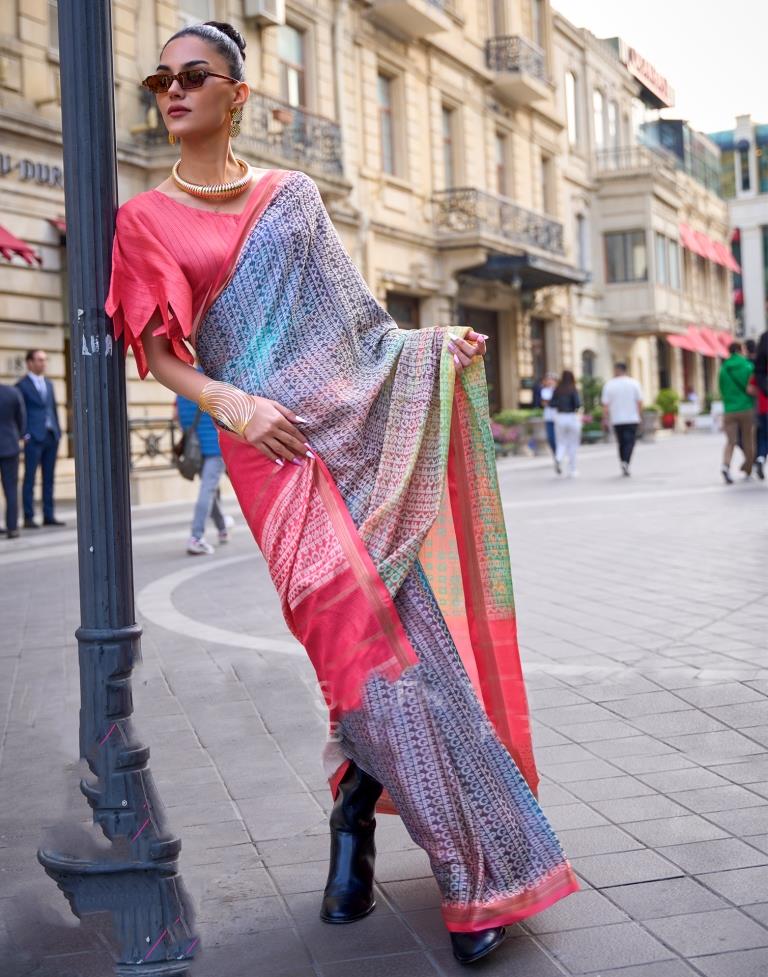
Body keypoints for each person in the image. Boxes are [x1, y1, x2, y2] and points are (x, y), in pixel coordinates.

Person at [104, 21, 578, 965]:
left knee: (410, 656)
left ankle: (458, 863)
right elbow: (158, 354)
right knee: (356, 655)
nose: (173, 89)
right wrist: (232, 403)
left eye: (194, 75)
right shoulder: (145, 219)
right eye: (163, 76)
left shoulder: (295, 199)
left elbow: (361, 328)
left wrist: (432, 349)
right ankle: (367, 811)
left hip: (356, 446)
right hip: (270, 459)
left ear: (239, 95)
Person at [176, 387, 234, 554]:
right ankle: (196, 537)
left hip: (195, 449)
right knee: (207, 490)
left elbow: (179, 418)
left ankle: (222, 528)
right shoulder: (212, 383)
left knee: (209, 489)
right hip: (215, 448)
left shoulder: (182, 385)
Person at [16, 349, 65, 528]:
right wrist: (24, 434)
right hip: (33, 438)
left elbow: (52, 408)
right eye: (39, 360)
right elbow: (18, 412)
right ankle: (29, 516)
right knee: (30, 477)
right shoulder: (21, 385)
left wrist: (59, 432)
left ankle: (48, 514)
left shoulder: (49, 384)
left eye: (44, 360)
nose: (43, 363)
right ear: (29, 363)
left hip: (51, 436)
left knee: (49, 478)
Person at [718, 341, 756, 484]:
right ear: (740, 350)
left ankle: (725, 466)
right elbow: (752, 387)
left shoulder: (724, 369)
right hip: (746, 408)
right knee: (748, 441)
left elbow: (721, 389)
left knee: (730, 442)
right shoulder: (748, 366)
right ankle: (747, 469)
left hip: (729, 410)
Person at [601, 362, 643, 476]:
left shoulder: (609, 385)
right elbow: (639, 402)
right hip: (632, 418)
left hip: (617, 419)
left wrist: (605, 418)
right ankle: (626, 461)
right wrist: (639, 416)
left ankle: (623, 461)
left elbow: (605, 405)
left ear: (616, 370)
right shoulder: (634, 383)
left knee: (621, 442)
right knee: (630, 442)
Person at [0, 383, 26, 538]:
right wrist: (19, 435)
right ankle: (12, 527)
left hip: (10, 445)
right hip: (10, 445)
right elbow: (22, 418)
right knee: (11, 488)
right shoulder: (12, 392)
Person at [551, 370, 581, 477]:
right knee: (572, 444)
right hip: (571, 417)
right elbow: (578, 404)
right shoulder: (573, 389)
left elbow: (552, 403)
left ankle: (558, 458)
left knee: (561, 442)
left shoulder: (557, 390)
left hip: (560, 417)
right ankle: (572, 469)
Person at [754, 331, 768, 480]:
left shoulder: (764, 338)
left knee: (764, 435)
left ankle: (761, 458)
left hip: (765, 402)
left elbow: (758, 372)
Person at [539, 372, 558, 463]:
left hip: (558, 417)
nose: (549, 381)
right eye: (548, 380)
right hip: (549, 418)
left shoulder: (558, 390)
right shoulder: (544, 391)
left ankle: (559, 455)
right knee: (551, 438)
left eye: (551, 380)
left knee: (559, 438)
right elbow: (545, 402)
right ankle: (556, 454)